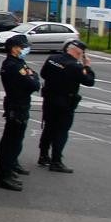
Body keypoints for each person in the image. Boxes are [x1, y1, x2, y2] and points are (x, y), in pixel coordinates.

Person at [37, 39, 96, 173]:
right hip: (65, 103)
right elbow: (89, 81)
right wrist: (87, 66)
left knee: (48, 128)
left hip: (49, 99)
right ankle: (56, 161)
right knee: (61, 131)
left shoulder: (53, 58)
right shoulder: (76, 66)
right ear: (78, 53)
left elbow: (43, 74)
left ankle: (43, 155)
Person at [0, 34, 39, 191]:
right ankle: (5, 175)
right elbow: (33, 84)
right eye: (23, 47)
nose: (25, 49)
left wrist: (33, 76)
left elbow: (34, 76)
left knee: (13, 140)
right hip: (17, 106)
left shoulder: (17, 63)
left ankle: (8, 168)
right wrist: (33, 77)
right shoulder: (14, 66)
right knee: (12, 142)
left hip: (17, 105)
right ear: (14, 48)